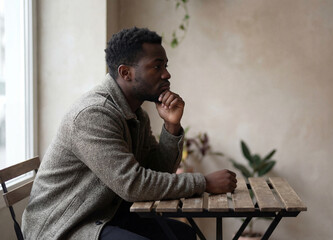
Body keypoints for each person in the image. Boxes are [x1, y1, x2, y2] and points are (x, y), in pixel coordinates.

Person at [22, 27, 237, 240]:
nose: (166, 74)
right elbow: (133, 185)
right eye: (157, 66)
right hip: (64, 227)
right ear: (126, 72)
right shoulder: (94, 114)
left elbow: (156, 170)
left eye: (165, 65)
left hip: (107, 216)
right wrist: (203, 182)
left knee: (184, 235)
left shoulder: (135, 114)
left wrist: (172, 127)